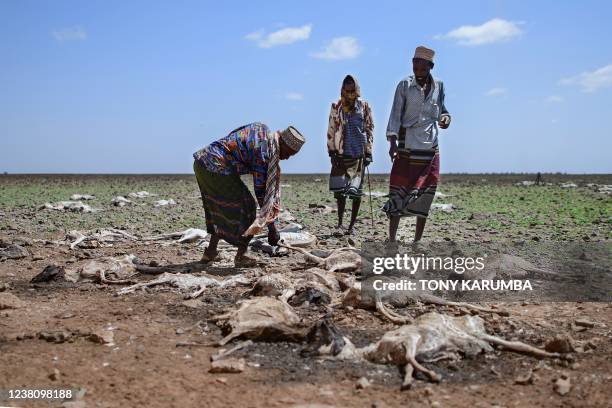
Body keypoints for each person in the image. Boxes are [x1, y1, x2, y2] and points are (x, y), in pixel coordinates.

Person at [193, 123, 305, 266]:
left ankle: (210, 252)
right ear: (282, 143)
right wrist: (272, 229)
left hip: (201, 163)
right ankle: (241, 254)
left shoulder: (261, 129)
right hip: (217, 168)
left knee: (217, 208)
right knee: (248, 207)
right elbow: (262, 193)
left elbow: (233, 134)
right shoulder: (264, 153)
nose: (287, 158)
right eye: (288, 153)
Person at [382, 46, 451, 242]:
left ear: (430, 67)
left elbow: (443, 110)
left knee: (426, 193)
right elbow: (395, 114)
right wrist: (392, 142)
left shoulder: (440, 86)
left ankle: (417, 241)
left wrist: (446, 119)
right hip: (407, 146)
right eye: (415, 68)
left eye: (422, 69)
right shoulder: (404, 85)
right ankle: (392, 239)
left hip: (430, 148)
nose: (418, 73)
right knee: (398, 190)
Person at [327, 74, 374, 236]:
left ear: (357, 90)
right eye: (347, 91)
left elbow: (369, 129)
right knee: (340, 192)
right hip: (341, 154)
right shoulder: (336, 106)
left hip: (358, 154)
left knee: (356, 193)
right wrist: (331, 151)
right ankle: (340, 224)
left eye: (352, 90)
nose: (349, 94)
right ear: (342, 90)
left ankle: (351, 226)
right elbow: (331, 130)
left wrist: (368, 152)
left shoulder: (364, 107)